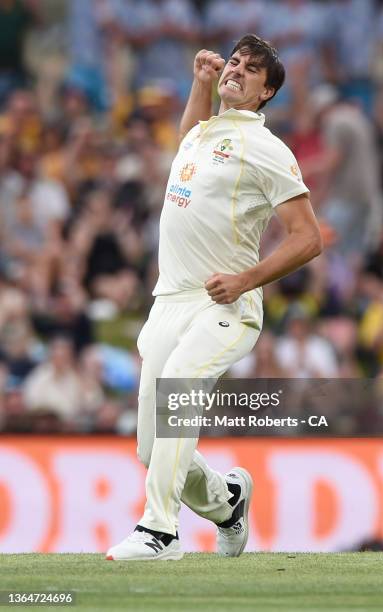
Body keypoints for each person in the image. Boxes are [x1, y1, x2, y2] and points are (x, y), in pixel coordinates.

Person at [107, 34, 322, 562]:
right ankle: (228, 501)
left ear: (266, 92)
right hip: (169, 301)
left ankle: (159, 532)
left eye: (251, 71)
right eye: (234, 63)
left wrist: (247, 280)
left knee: (177, 393)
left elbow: (308, 237)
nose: (237, 71)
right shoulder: (207, 133)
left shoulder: (266, 148)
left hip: (224, 306)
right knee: (149, 448)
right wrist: (200, 85)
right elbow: (188, 150)